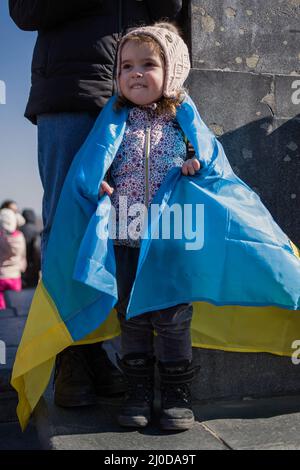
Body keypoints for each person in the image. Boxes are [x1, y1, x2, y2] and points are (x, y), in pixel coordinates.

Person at [9, 1, 186, 409]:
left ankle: (114, 351)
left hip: (142, 96)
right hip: (74, 92)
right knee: (68, 222)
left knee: (135, 229)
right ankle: (73, 353)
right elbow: (25, 11)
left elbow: (169, 6)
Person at [97, 22, 198, 431]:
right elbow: (97, 159)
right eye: (126, 65)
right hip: (125, 236)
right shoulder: (114, 118)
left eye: (148, 64)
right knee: (132, 316)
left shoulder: (182, 117)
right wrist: (99, 179)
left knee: (172, 319)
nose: (135, 73)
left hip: (170, 238)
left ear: (171, 70)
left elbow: (207, 156)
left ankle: (175, 393)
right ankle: (137, 391)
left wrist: (195, 163)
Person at [0, 209, 27, 310]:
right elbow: (23, 255)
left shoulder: (1, 237)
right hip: (15, 276)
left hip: (1, 276)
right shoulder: (20, 237)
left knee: (2, 311)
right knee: (16, 307)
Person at [20, 209, 41, 288]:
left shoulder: (19, 230)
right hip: (33, 268)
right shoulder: (36, 231)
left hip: (21, 268)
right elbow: (37, 249)